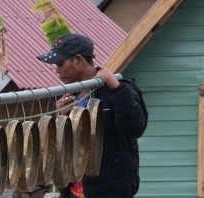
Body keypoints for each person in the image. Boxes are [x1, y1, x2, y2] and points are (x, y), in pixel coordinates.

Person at [36, 33, 148, 198]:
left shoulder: (119, 89)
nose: (57, 71)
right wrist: (59, 118)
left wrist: (117, 88)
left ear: (79, 60)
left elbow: (134, 128)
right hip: (73, 192)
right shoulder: (66, 97)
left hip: (109, 192)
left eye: (60, 64)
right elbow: (59, 148)